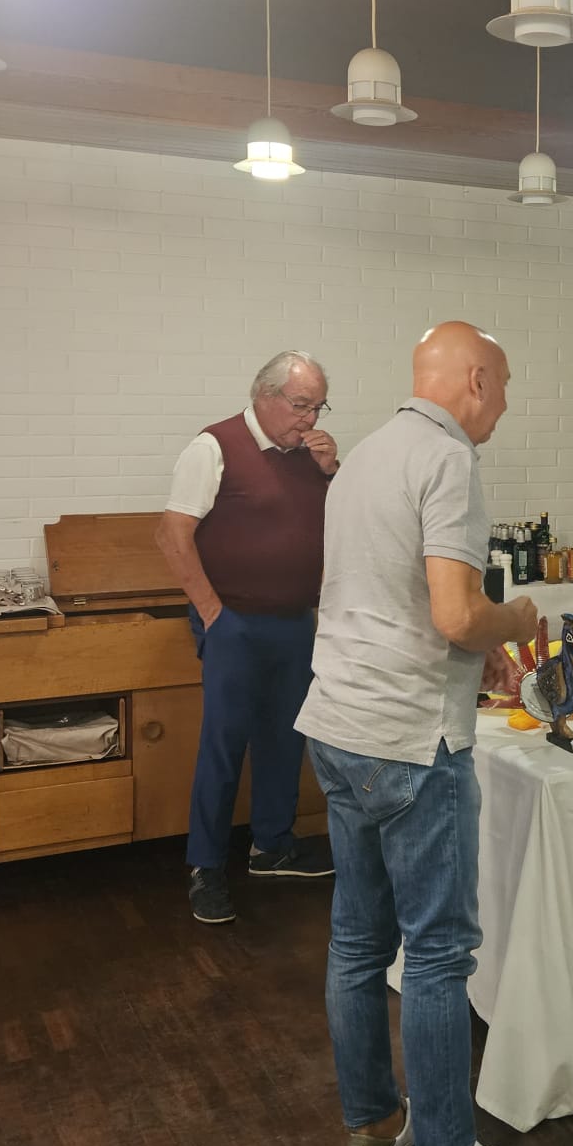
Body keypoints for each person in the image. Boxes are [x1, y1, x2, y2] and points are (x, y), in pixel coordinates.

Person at [295, 322, 561, 1146]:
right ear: (476, 379)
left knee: (357, 944)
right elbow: (456, 615)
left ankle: (374, 1131)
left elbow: (387, 598)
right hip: (410, 741)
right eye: (506, 385)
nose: (505, 405)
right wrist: (514, 620)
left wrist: (468, 649)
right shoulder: (448, 460)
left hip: (337, 724)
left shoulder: (365, 456)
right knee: (439, 955)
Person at [156, 350, 340, 925]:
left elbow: (345, 523)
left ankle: (273, 847)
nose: (310, 418)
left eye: (318, 407)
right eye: (301, 405)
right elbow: (171, 535)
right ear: (264, 395)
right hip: (233, 620)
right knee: (225, 742)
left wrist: (333, 471)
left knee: (286, 737)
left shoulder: (311, 456)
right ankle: (206, 866)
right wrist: (212, 613)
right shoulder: (214, 447)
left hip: (294, 620)